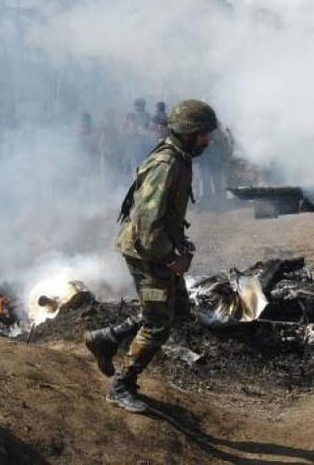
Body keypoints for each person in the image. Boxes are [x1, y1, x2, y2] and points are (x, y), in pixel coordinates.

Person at [84, 99, 219, 413]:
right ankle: (121, 385)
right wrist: (170, 257)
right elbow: (146, 224)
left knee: (178, 310)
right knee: (159, 324)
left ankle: (107, 338)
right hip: (147, 251)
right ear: (188, 133)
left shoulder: (180, 157)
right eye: (202, 134)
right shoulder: (167, 164)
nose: (206, 141)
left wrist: (179, 245)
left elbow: (164, 215)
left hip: (157, 246)